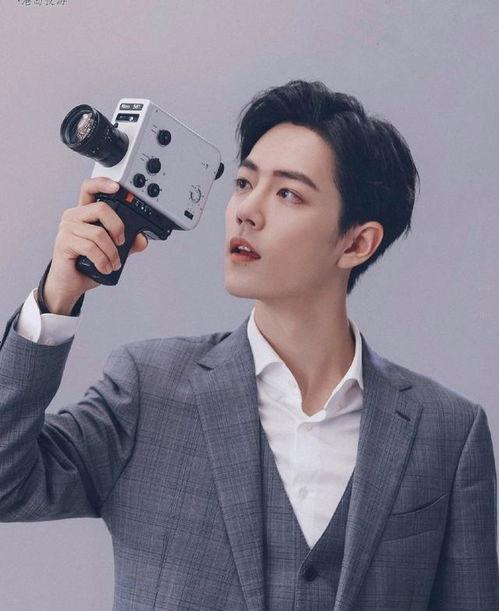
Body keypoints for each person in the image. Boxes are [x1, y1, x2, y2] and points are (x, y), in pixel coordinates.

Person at [0, 79, 497, 610]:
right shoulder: (148, 389)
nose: (246, 210)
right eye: (243, 183)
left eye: (288, 194)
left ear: (357, 242)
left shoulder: (447, 432)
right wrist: (57, 296)